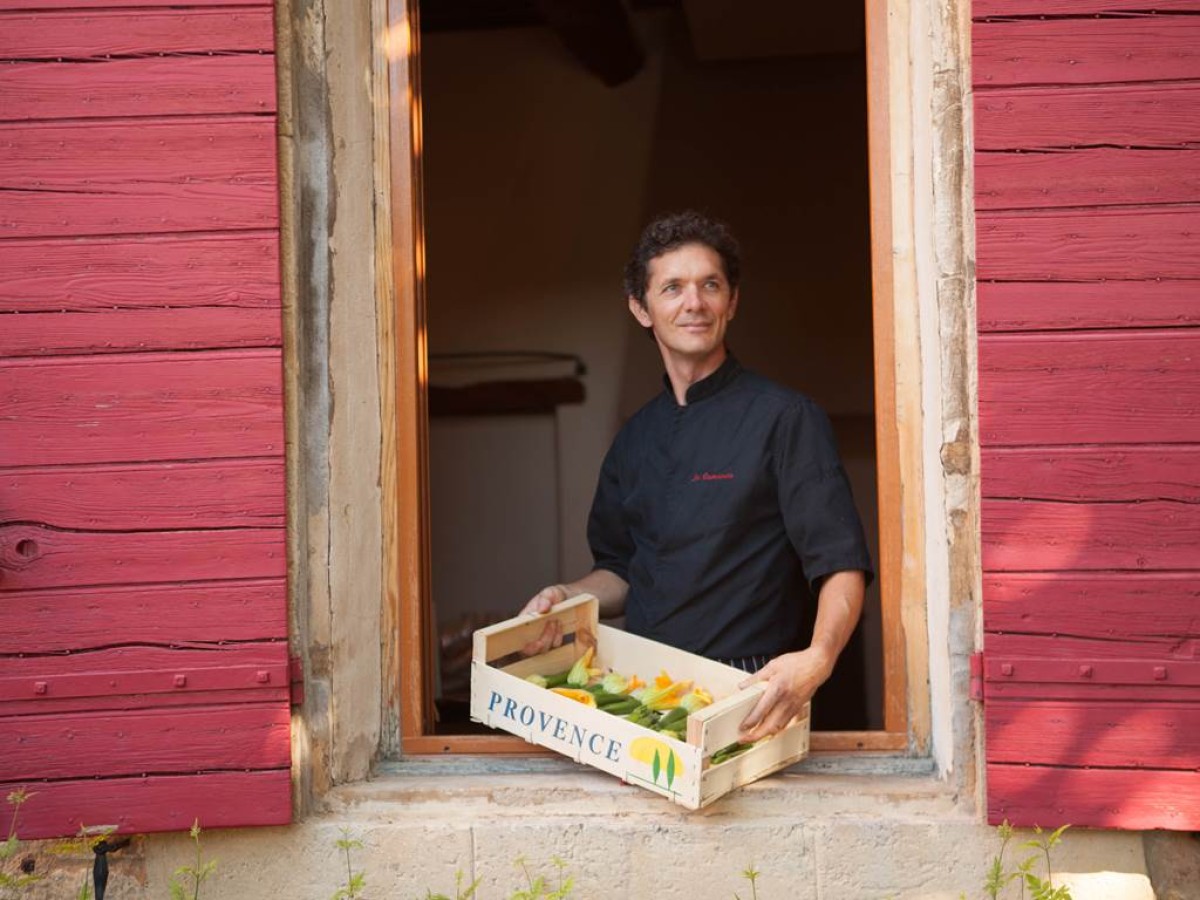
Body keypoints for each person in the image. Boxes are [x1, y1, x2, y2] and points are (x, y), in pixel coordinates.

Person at [522, 211, 873, 743]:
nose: (694, 303)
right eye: (673, 288)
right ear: (642, 309)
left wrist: (818, 658)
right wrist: (567, 595)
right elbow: (621, 571)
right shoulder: (634, 440)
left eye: (711, 285)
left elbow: (839, 562)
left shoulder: (784, 418)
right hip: (645, 694)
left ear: (731, 302)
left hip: (751, 689)